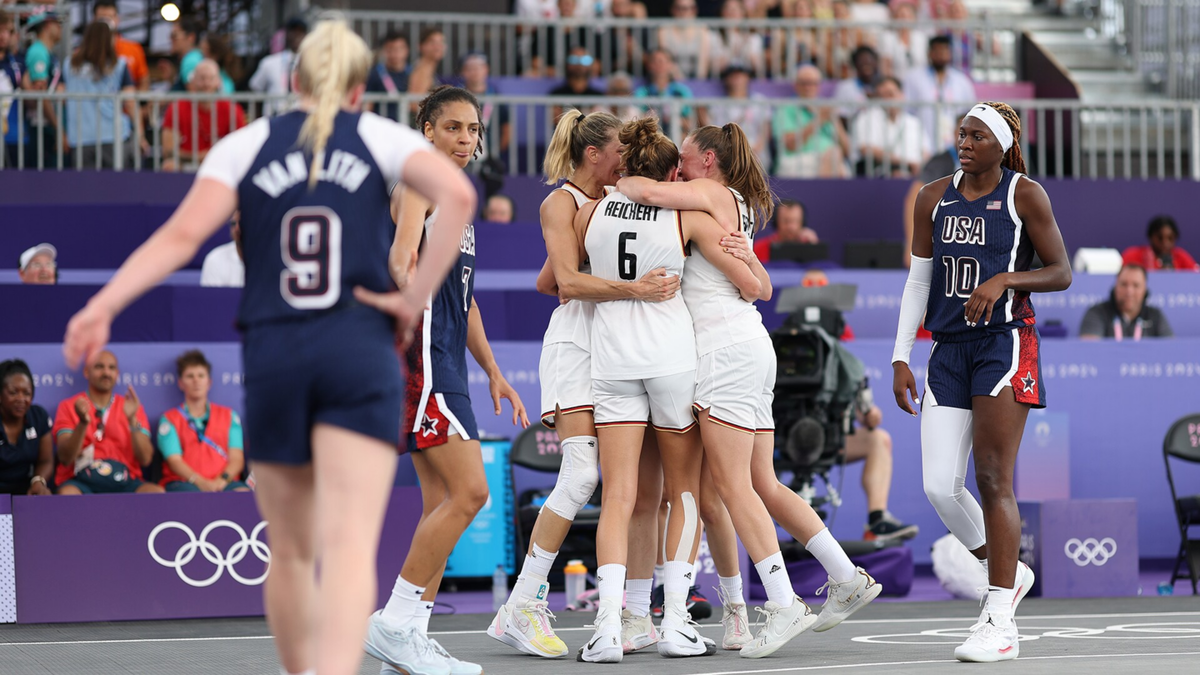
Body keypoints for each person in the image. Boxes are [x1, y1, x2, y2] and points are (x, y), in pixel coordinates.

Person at [62, 18, 475, 675]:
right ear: (362, 88)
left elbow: (177, 237)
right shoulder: (381, 137)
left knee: (288, 550)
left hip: (278, 352)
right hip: (358, 355)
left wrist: (102, 303)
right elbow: (457, 192)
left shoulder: (246, 142)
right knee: (346, 546)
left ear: (293, 80)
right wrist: (413, 292)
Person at [618, 122, 881, 655]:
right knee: (763, 481)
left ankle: (783, 604)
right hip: (751, 349)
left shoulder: (706, 198)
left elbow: (643, 190)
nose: (679, 167)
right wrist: (754, 265)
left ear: (709, 161)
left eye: (686, 158)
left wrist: (612, 183)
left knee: (735, 486)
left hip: (723, 355)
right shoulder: (727, 202)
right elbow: (757, 286)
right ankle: (846, 575)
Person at [489, 110, 678, 660]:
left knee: (643, 490)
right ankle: (523, 604)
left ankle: (635, 613)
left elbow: (549, 275)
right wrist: (635, 289)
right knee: (579, 478)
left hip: (614, 348)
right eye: (620, 148)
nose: (627, 156)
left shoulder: (611, 203)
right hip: (575, 347)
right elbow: (566, 284)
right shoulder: (559, 201)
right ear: (594, 153)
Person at [575, 117, 764, 662]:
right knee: (682, 493)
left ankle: (612, 626)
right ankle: (677, 621)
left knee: (621, 496)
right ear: (670, 172)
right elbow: (754, 288)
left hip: (612, 362)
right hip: (671, 361)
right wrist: (747, 254)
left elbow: (562, 281)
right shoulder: (683, 215)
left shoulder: (591, 213)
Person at [892, 101, 1072, 662]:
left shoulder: (1025, 194)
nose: (964, 142)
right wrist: (901, 356)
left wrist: (1005, 279)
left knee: (993, 476)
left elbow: (1061, 271)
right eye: (961, 133)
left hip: (1005, 343)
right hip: (946, 350)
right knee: (939, 486)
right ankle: (1009, 571)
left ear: (1000, 144)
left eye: (975, 135)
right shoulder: (931, 196)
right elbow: (918, 282)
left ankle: (999, 618)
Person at [365, 86, 528, 675]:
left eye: (473, 130)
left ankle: (406, 643)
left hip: (448, 361)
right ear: (426, 128)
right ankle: (391, 623)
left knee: (440, 500)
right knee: (471, 494)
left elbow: (466, 299)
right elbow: (401, 258)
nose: (466, 139)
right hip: (421, 357)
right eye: (454, 127)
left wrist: (494, 373)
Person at [52, 350, 161, 495]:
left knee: (155, 492)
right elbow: (65, 458)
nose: (106, 372)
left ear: (118, 374)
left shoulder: (132, 407)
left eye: (111, 368)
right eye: (99, 367)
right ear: (86, 371)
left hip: (124, 480)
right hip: (80, 481)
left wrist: (132, 421)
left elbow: (146, 459)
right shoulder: (69, 406)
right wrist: (83, 423)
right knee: (68, 494)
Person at [158, 349, 250, 492]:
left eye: (201, 375)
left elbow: (237, 459)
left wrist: (222, 480)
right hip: (184, 483)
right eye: (190, 376)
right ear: (181, 383)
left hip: (224, 483)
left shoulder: (230, 415)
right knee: (189, 495)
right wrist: (201, 482)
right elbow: (174, 461)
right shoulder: (169, 419)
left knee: (243, 493)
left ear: (209, 382)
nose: (196, 380)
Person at [63, 21, 139, 170]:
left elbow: (60, 98)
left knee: (85, 190)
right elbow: (130, 102)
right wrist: (140, 135)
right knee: (115, 189)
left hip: (80, 137)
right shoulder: (119, 65)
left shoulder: (69, 64)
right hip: (114, 136)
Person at [161, 59, 246, 171]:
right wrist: (198, 157)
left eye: (211, 79)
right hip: (187, 165)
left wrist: (213, 157)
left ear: (218, 82)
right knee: (169, 166)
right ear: (193, 81)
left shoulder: (232, 109)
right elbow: (168, 150)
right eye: (202, 78)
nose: (206, 84)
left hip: (222, 165)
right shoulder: (177, 107)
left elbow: (242, 147)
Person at [903, 35, 977, 157]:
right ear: (929, 53)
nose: (941, 54)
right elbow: (908, 112)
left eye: (945, 51)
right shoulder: (914, 78)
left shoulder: (962, 81)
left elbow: (969, 114)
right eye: (937, 51)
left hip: (954, 147)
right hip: (923, 144)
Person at [773, 65, 850, 179]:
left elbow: (847, 149)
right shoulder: (785, 109)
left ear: (819, 86)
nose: (808, 87)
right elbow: (791, 145)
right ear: (796, 85)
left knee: (837, 159)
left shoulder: (825, 108)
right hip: (798, 161)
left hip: (831, 160)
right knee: (835, 156)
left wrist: (834, 121)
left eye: (813, 83)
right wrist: (818, 121)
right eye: (804, 83)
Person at [851, 76, 927, 176]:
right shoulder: (866, 118)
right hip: (881, 176)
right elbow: (866, 149)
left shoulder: (914, 122)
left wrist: (920, 168)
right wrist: (906, 163)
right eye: (883, 95)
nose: (888, 99)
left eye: (891, 94)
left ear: (902, 95)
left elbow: (926, 152)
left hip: (915, 176)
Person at [703, 63, 772, 171]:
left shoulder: (760, 101)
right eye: (733, 75)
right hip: (729, 156)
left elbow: (765, 130)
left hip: (757, 155)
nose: (737, 79)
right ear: (726, 79)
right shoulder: (718, 105)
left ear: (748, 78)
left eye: (740, 75)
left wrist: (755, 150)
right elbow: (717, 132)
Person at [0, 359, 53, 495]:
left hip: (27, 491)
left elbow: (45, 460)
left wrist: (38, 481)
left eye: (27, 393)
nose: (21, 399)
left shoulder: (38, 416)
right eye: (13, 392)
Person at [1079, 264, 1173, 340]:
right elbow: (1090, 350)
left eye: (1136, 285)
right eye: (1124, 284)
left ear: (1145, 290)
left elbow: (1170, 350)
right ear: (1115, 287)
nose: (1129, 292)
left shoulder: (1155, 315)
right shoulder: (1097, 312)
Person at [21, 9, 65, 168]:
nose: (61, 28)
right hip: (42, 128)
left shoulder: (45, 52)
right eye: (57, 23)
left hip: (46, 127)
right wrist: (59, 129)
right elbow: (41, 95)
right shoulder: (38, 52)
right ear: (47, 25)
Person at [249, 16, 308, 116]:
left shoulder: (311, 64)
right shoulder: (269, 62)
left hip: (301, 120)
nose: (297, 35)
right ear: (286, 34)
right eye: (293, 31)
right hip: (274, 119)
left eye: (300, 32)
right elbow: (255, 91)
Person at [459, 52, 510, 163]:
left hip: (490, 158)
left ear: (486, 69)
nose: (475, 72)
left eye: (479, 67)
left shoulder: (496, 97)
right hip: (462, 157)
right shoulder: (456, 97)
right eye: (470, 68)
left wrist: (496, 153)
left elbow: (507, 129)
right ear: (463, 72)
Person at [635, 49, 694, 136]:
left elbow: (689, 121)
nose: (660, 64)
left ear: (671, 65)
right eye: (655, 61)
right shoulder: (641, 92)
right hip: (650, 135)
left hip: (677, 135)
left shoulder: (682, 91)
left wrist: (673, 120)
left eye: (664, 61)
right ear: (649, 65)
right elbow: (637, 119)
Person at [93, 0, 149, 90]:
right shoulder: (83, 53)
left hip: (126, 102)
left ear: (117, 19)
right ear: (94, 20)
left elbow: (144, 81)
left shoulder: (134, 49)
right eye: (102, 18)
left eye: (110, 17)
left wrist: (137, 103)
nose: (107, 22)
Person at [1121, 215, 1200, 271]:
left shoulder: (1180, 256)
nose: (1165, 243)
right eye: (1160, 238)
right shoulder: (1133, 255)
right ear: (1150, 237)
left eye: (1170, 238)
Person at [657, 0, 713, 79]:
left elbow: (703, 63)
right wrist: (681, 81)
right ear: (673, 10)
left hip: (695, 79)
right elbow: (666, 60)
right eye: (679, 8)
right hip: (672, 79)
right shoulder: (664, 29)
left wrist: (698, 83)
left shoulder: (702, 29)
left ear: (694, 10)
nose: (683, 13)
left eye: (687, 8)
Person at [752, 199, 819, 262]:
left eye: (795, 221)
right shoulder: (758, 249)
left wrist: (814, 248)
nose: (790, 227)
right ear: (776, 222)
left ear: (802, 222)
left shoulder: (809, 245)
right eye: (785, 221)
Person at [713, 0, 765, 77]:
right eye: (728, 10)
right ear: (722, 13)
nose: (731, 14)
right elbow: (718, 67)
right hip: (725, 78)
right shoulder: (716, 37)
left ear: (743, 13)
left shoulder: (753, 38)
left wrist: (745, 46)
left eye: (734, 10)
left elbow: (757, 67)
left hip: (746, 78)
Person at [366, 31, 409, 123]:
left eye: (399, 49)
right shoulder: (375, 74)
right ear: (383, 51)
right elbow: (368, 105)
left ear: (406, 50)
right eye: (390, 49)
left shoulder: (413, 74)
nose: (395, 54)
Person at [833, 46, 880, 119]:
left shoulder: (882, 86)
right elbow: (840, 114)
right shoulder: (846, 87)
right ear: (855, 65)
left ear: (876, 63)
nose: (866, 63)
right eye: (862, 61)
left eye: (870, 60)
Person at [200, 213, 245, 287]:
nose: (237, 229)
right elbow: (211, 297)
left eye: (242, 223)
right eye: (233, 223)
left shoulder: (268, 258)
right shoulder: (215, 259)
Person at [407, 27, 444, 99]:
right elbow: (414, 104)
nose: (438, 47)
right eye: (432, 42)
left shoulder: (429, 70)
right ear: (421, 46)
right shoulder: (422, 71)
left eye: (441, 42)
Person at [170, 17, 204, 88]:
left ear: (191, 37)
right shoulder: (198, 57)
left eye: (174, 35)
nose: (170, 39)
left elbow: (194, 95)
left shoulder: (190, 61)